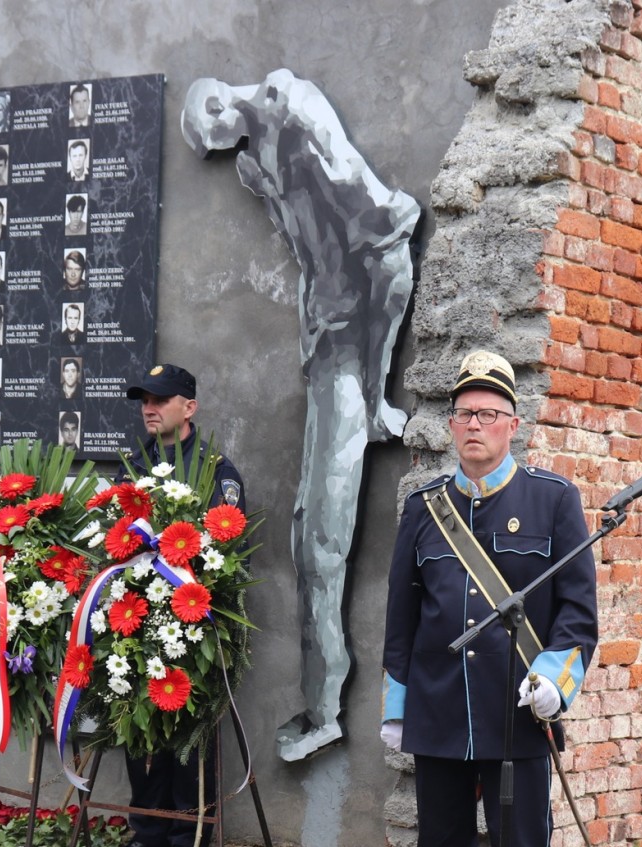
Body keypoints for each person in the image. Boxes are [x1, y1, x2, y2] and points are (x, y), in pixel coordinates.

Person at [184, 69, 418, 761]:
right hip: (325, 348)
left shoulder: (301, 115)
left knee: (323, 544)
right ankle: (320, 703)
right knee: (305, 537)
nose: (224, 161)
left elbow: (390, 245)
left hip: (353, 349)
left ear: (225, 104)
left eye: (216, 143)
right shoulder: (259, 159)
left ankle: (325, 708)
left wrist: (377, 393)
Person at [380, 352, 597, 847]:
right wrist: (396, 702)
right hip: (441, 706)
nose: (475, 425)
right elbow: (400, 615)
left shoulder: (553, 500)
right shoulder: (423, 509)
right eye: (464, 414)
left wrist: (556, 681)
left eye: (489, 414)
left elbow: (577, 612)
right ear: (451, 426)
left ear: (513, 424)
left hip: (518, 709)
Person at [101, 363, 247, 847]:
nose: (149, 406)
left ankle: (190, 836)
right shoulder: (131, 467)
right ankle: (148, 835)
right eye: (144, 398)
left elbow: (230, 553)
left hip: (191, 618)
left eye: (161, 398)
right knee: (139, 732)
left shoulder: (215, 472)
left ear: (189, 407)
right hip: (136, 619)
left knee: (187, 735)